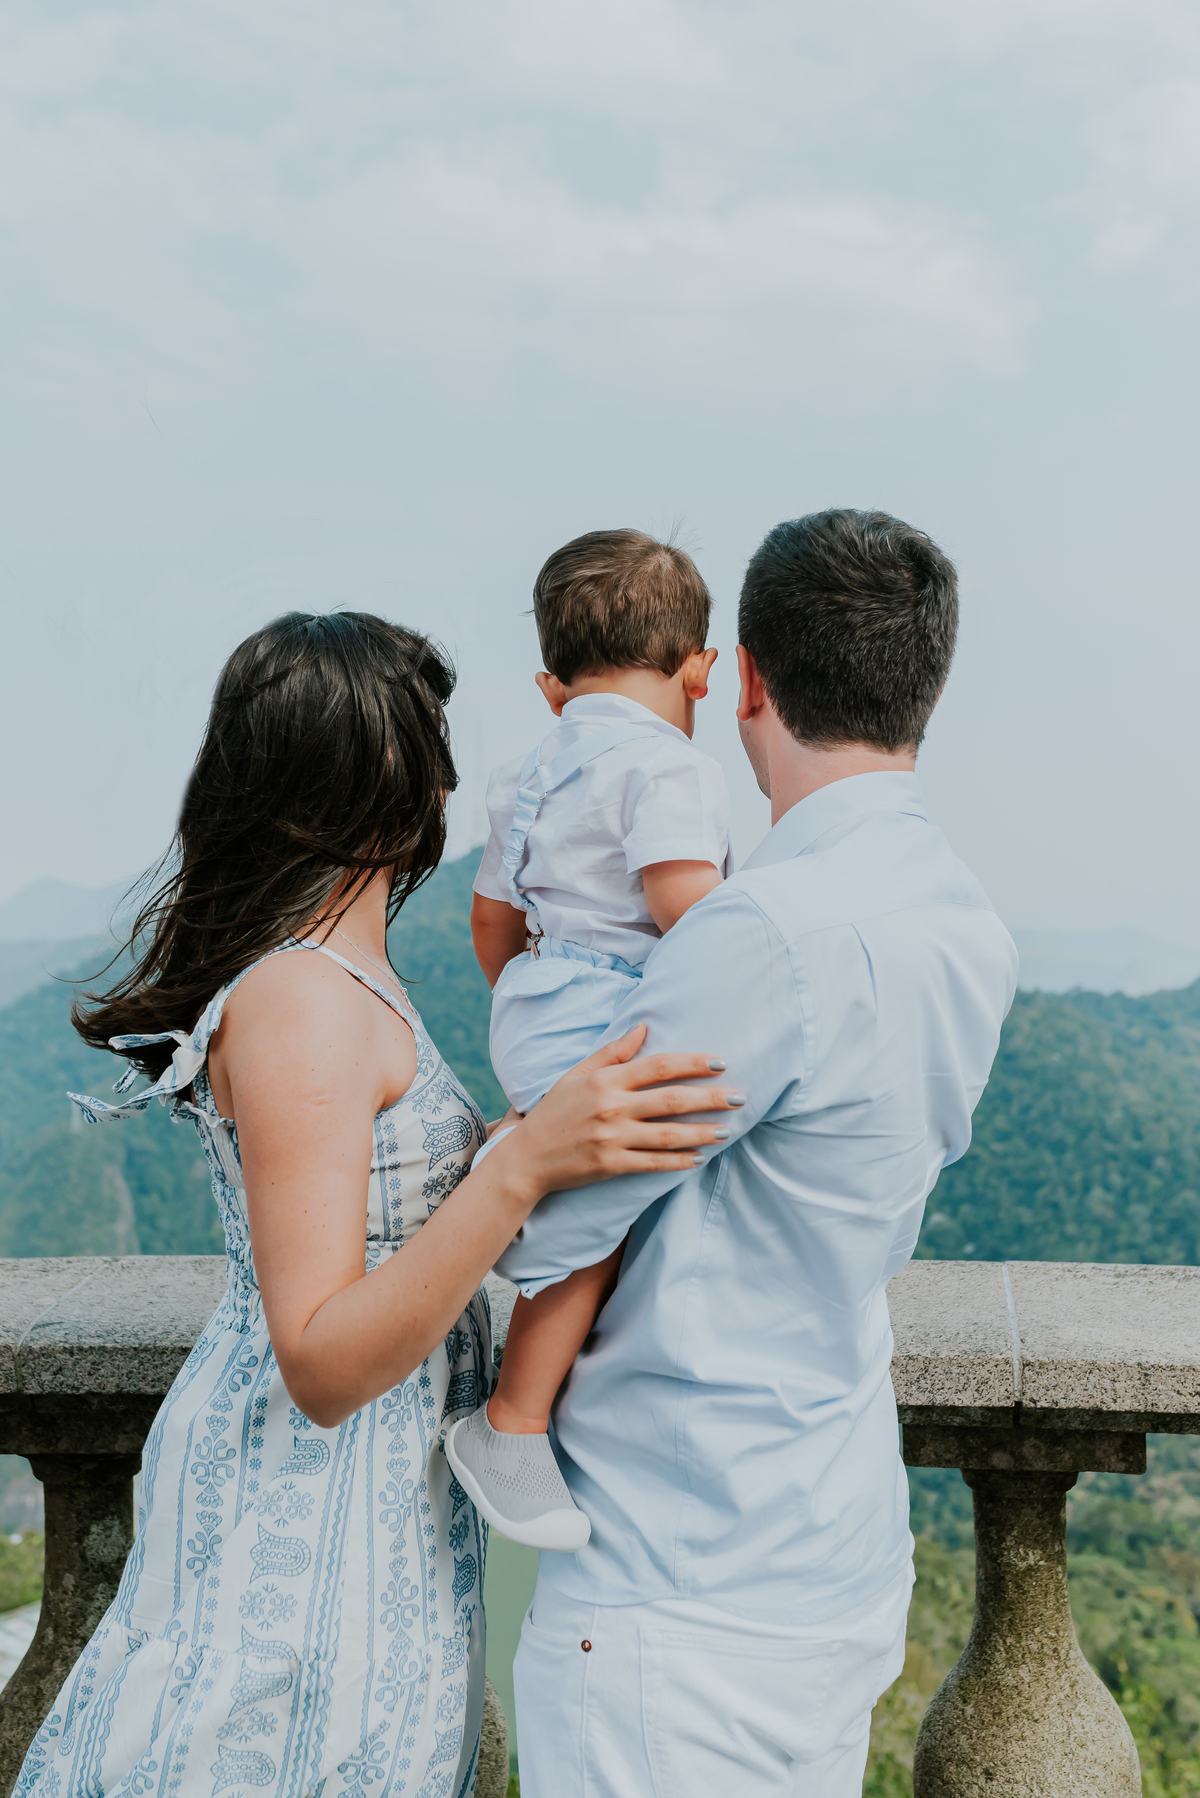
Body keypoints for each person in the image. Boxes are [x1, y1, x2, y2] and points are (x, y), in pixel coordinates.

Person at [13, 612, 736, 1798]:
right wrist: (519, 1170)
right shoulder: (306, 997)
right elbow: (320, 1357)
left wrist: (510, 1155)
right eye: (430, 741)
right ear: (382, 779)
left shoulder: (343, 978)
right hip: (300, 1541)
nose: (451, 778)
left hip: (362, 1525)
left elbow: (386, 1215)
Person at [497, 510, 1020, 1798]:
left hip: (681, 1580)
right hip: (833, 1538)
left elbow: (560, 1213)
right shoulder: (969, 923)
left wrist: (497, 1159)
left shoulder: (758, 932)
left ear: (746, 682)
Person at [446, 530, 731, 1553]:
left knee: (595, 1179)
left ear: (550, 685)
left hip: (534, 997)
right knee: (597, 1220)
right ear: (700, 667)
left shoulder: (526, 770)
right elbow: (690, 913)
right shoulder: (670, 769)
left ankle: (516, 1146)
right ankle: (512, 1421)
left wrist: (531, 1011)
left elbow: (490, 920)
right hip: (613, 1010)